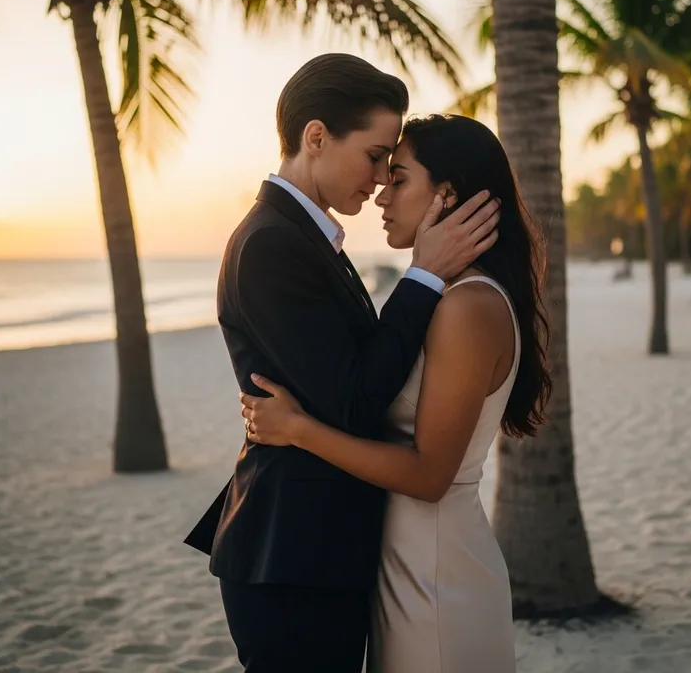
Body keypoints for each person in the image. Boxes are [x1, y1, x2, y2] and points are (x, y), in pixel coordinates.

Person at [183, 57, 500, 673]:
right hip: (292, 554)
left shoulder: (304, 236)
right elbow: (355, 400)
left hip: (316, 547)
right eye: (376, 155)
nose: (381, 179)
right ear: (317, 137)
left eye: (391, 164)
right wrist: (426, 276)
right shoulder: (273, 243)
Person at [241, 114, 553, 673]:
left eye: (400, 178)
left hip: (435, 576)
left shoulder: (467, 307)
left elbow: (430, 476)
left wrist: (299, 430)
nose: (383, 193)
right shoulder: (444, 296)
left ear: (446, 194)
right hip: (403, 564)